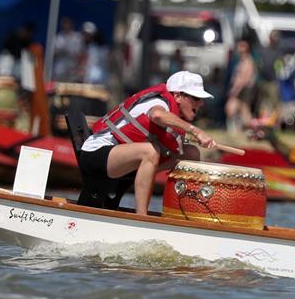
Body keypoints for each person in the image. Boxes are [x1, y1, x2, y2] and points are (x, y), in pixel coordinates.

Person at [79, 70, 217, 215]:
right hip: (95, 155)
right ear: (177, 96)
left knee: (191, 153)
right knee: (150, 151)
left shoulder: (173, 112)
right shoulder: (159, 103)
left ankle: (182, 213)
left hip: (121, 161)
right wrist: (196, 131)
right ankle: (142, 218)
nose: (201, 103)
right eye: (196, 98)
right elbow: (157, 115)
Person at [224, 40, 257, 133]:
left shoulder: (248, 61)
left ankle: (241, 128)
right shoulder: (240, 61)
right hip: (241, 88)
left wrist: (235, 90)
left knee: (237, 108)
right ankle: (243, 128)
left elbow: (244, 78)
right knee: (242, 109)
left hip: (244, 89)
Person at [51, 17, 84, 82]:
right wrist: (62, 51)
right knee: (59, 88)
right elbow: (53, 53)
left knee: (71, 88)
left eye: (67, 23)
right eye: (64, 24)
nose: (65, 26)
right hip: (60, 68)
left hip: (73, 68)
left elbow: (81, 52)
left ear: (71, 24)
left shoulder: (78, 37)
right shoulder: (58, 37)